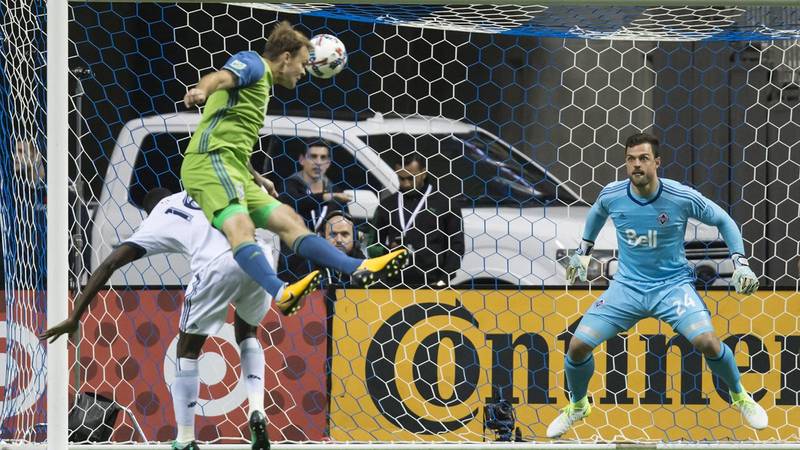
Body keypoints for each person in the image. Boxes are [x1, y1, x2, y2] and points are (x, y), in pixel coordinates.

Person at [40, 188, 299, 450]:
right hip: (258, 256)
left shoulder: (158, 217)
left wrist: (74, 316)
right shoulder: (200, 188)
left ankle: (185, 438)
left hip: (216, 267)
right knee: (248, 332)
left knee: (187, 350)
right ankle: (257, 409)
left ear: (148, 211)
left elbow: (109, 264)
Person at [547, 132, 766, 438]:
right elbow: (597, 212)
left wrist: (740, 262)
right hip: (627, 288)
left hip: (672, 287)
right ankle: (578, 405)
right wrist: (583, 251)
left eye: (643, 158)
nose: (636, 164)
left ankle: (740, 396)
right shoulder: (613, 195)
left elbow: (724, 220)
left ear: (657, 162)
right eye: (631, 159)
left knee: (708, 342)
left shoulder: (680, 196)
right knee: (578, 346)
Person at [180, 21, 406, 308]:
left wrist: (256, 176)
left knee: (290, 220)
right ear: (286, 57)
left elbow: (233, 138)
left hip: (232, 167)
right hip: (209, 162)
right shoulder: (254, 64)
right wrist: (200, 90)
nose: (304, 71)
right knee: (241, 227)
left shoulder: (262, 86)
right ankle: (281, 293)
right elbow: (220, 78)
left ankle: (357, 267)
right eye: (301, 63)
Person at [369, 153, 464, 287]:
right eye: (401, 178)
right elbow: (372, 245)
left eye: (411, 178)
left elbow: (457, 246)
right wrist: (388, 250)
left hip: (432, 284)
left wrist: (443, 280)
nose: (406, 183)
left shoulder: (445, 204)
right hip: (393, 284)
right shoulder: (387, 205)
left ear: (423, 173)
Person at [279, 141, 352, 280]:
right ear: (302, 160)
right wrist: (326, 197)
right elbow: (297, 203)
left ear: (328, 163)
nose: (318, 162)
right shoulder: (290, 186)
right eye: (313, 156)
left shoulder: (335, 192)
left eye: (323, 157)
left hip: (327, 268)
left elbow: (345, 224)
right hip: (293, 265)